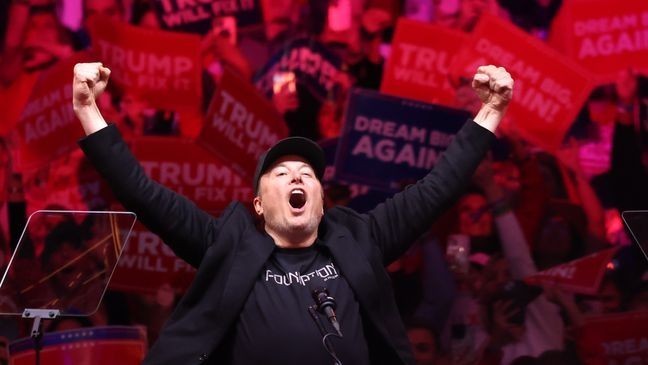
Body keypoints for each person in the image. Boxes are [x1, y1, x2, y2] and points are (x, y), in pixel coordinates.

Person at [70, 61, 513, 364]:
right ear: (258, 205)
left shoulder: (361, 237)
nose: (298, 178)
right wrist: (89, 111)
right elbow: (143, 194)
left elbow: (437, 189)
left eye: (307, 174)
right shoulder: (226, 242)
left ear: (322, 201)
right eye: (281, 174)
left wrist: (489, 112)